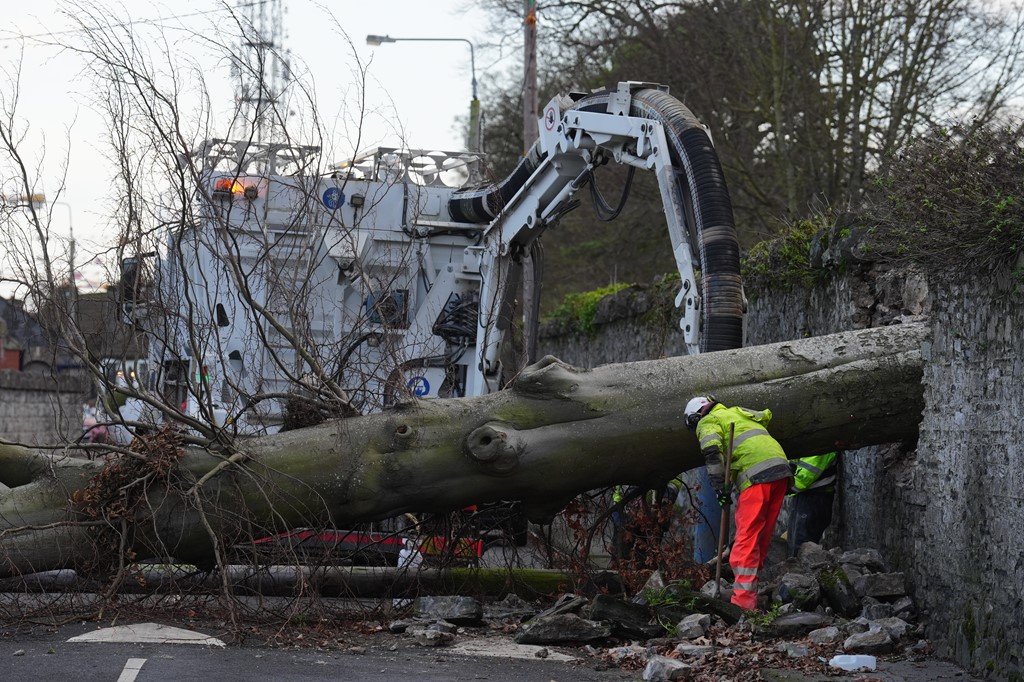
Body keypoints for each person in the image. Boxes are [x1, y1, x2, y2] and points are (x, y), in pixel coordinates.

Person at [684, 395, 791, 611]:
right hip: (780, 471)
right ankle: (752, 591)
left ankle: (742, 604)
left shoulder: (708, 422)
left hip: (756, 475)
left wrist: (719, 490)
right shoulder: (737, 413)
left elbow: (713, 454)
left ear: (696, 417)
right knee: (760, 536)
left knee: (746, 539)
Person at [787, 451, 838, 557]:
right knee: (795, 543)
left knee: (802, 545)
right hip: (805, 496)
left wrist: (781, 487)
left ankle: (802, 572)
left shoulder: (822, 445)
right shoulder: (811, 443)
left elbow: (803, 480)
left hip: (815, 497)